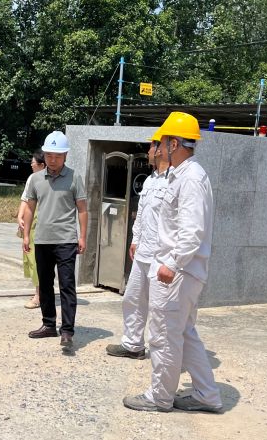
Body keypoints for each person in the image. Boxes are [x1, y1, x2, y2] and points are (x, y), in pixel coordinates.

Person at [124, 112, 223, 413]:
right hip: (182, 270)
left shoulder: (190, 178)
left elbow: (192, 230)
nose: (159, 146)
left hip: (178, 272)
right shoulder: (180, 175)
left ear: (174, 144)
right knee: (184, 334)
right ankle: (207, 395)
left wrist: (173, 263)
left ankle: (160, 397)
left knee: (164, 335)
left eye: (164, 141)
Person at [22, 130, 87, 350]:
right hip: (42, 239)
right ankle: (49, 324)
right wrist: (26, 235)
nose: (52, 159)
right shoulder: (36, 179)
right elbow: (29, 208)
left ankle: (67, 331)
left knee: (67, 285)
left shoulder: (74, 177)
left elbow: (82, 209)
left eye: (57, 156)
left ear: (65, 155)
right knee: (45, 283)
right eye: (49, 155)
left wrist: (82, 236)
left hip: (66, 239)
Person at [106, 129, 168, 360]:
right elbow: (141, 214)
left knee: (160, 308)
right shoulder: (151, 180)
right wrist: (135, 239)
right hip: (143, 252)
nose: (148, 151)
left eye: (151, 146)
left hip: (161, 256)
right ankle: (133, 344)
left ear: (160, 149)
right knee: (132, 299)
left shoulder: (174, 181)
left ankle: (164, 355)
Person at [17, 149, 46, 309]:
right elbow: (25, 199)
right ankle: (39, 291)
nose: (31, 164)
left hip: (42, 223)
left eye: (33, 162)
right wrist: (20, 216)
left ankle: (39, 296)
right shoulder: (32, 178)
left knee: (37, 259)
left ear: (42, 165)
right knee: (30, 257)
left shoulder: (47, 180)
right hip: (31, 222)